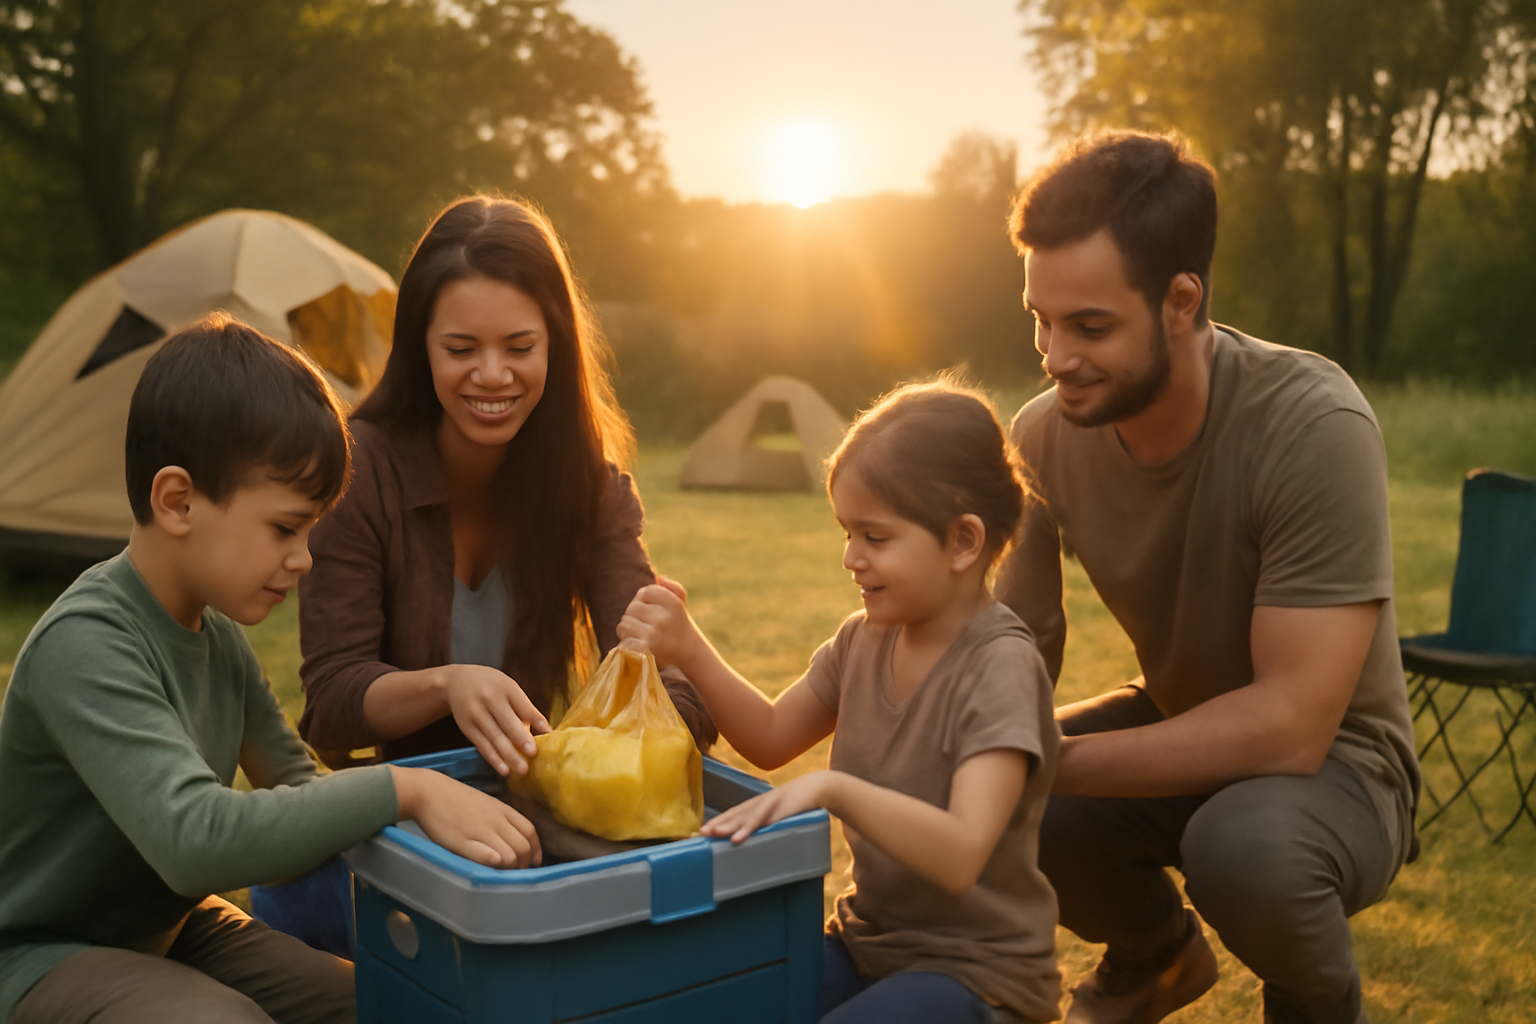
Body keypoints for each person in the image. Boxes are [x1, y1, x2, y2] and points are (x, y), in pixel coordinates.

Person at [0, 315, 540, 1024]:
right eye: (286, 528)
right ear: (178, 501)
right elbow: (193, 839)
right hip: (37, 953)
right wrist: (402, 788)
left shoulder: (218, 638)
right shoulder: (88, 642)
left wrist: (462, 841)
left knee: (382, 1004)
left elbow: (299, 795)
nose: (304, 559)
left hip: (171, 929)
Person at [995, 130, 1419, 1024]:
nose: (1055, 353)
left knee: (1243, 849)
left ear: (1181, 300)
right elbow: (1013, 648)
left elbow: (1293, 725)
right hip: (1180, 717)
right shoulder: (1039, 437)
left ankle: (1320, 1002)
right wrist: (969, 742)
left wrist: (1051, 762)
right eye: (1040, 317)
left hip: (1341, 761)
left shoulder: (1314, 425)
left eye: (1091, 326)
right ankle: (1156, 957)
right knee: (996, 792)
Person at [620, 381, 1062, 1024]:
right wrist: (688, 646)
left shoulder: (1001, 666)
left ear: (964, 541)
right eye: (846, 532)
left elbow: (963, 853)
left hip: (978, 976)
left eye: (875, 537)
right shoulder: (863, 639)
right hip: (865, 946)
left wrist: (835, 789)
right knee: (722, 997)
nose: (850, 558)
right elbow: (772, 735)